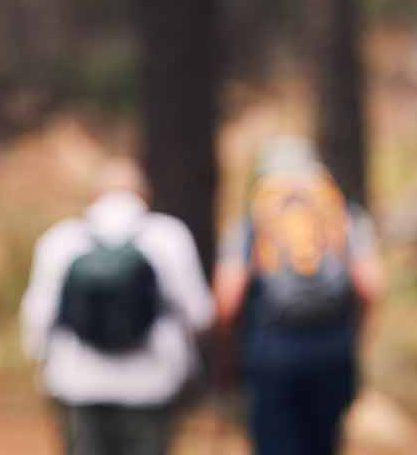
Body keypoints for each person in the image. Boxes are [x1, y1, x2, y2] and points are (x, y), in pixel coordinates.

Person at [20, 159, 216, 455]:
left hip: (76, 381)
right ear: (143, 195)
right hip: (152, 383)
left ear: (93, 195)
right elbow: (200, 314)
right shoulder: (169, 237)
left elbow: (38, 314)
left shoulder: (60, 240)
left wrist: (41, 365)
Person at [214, 137, 384, 455]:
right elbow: (370, 286)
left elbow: (228, 299)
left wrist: (229, 353)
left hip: (272, 350)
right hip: (334, 347)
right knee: (323, 443)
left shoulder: (253, 222)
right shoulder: (344, 215)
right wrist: (357, 336)